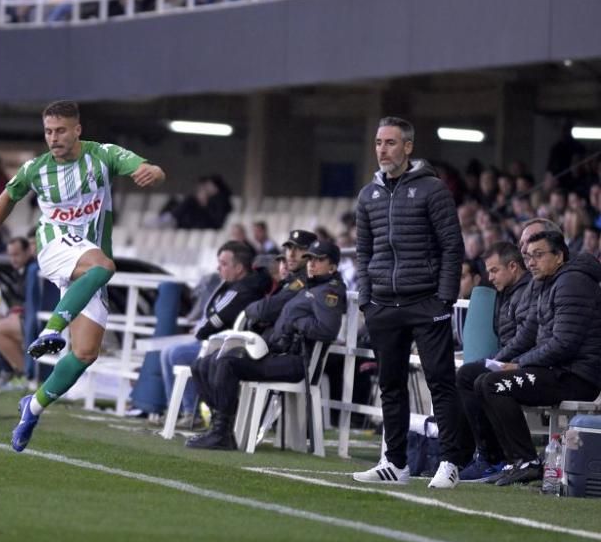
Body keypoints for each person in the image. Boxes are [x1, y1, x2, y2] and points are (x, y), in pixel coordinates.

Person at [0, 100, 165, 452]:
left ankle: (34, 405)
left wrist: (153, 171)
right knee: (104, 267)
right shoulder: (36, 169)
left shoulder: (102, 155)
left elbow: (146, 167)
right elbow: (6, 196)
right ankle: (50, 331)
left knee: (87, 352)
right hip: (55, 244)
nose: (53, 138)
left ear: (77, 129)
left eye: (60, 130)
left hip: (87, 258)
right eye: (48, 131)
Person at [352, 116, 466, 489]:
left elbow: (453, 246)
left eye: (390, 142)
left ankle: (450, 461)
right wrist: (368, 300)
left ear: (408, 147)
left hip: (425, 302)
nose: (382, 149)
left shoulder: (433, 189)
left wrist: (444, 297)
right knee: (390, 385)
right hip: (383, 304)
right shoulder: (367, 195)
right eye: (378, 142)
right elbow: (363, 251)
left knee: (440, 382)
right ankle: (395, 462)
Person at [188, 239, 347, 450]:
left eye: (319, 260)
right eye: (310, 259)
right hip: (278, 353)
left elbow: (327, 330)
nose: (312, 263)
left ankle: (221, 432)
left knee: (226, 363)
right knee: (205, 363)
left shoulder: (329, 292)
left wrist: (296, 322)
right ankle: (221, 426)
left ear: (333, 266)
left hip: (296, 361)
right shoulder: (311, 285)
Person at [478, 230, 601, 486]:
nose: (531, 262)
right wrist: (502, 361)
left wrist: (521, 364)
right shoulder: (548, 281)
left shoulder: (572, 282)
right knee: (482, 380)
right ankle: (513, 461)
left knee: (494, 385)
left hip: (575, 376)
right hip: (556, 370)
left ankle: (527, 461)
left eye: (539, 255)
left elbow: (564, 343)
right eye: (528, 256)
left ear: (559, 256)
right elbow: (529, 336)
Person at [151, 241, 270, 428]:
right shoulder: (235, 285)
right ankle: (177, 410)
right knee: (168, 352)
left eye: (224, 263)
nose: (218, 267)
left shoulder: (242, 290)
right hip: (218, 341)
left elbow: (217, 318)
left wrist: (199, 332)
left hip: (227, 347)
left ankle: (190, 413)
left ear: (239, 268)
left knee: (175, 354)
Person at [455, 241, 531, 482]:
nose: (490, 277)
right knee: (468, 374)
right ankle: (485, 455)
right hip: (510, 358)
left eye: (495, 270)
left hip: (525, 363)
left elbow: (526, 337)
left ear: (513, 267)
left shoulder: (528, 292)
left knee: (472, 377)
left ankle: (493, 456)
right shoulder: (506, 293)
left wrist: (499, 360)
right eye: (488, 271)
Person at [0, 236, 37, 388]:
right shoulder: (20, 271)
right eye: (10, 255)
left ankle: (27, 375)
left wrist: (17, 313)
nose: (13, 259)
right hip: (24, 317)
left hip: (36, 321)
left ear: (28, 251)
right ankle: (5, 371)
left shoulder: (34, 269)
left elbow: (35, 303)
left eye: (16, 254)